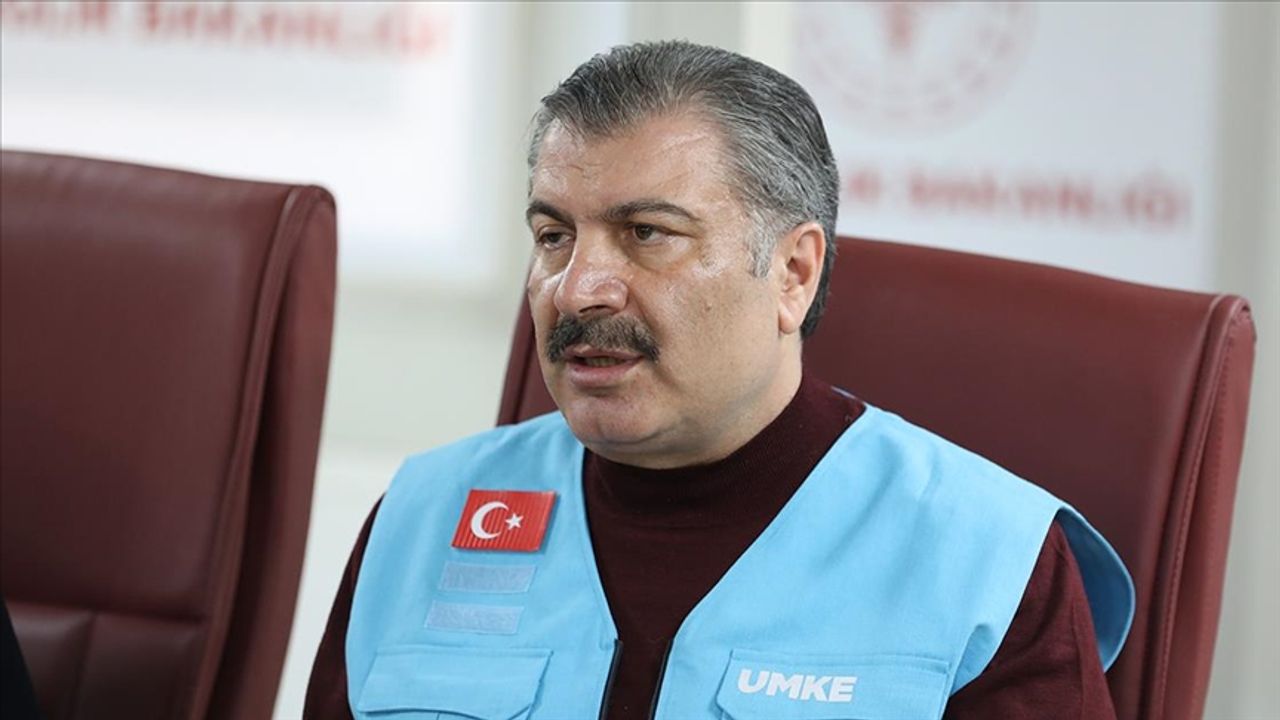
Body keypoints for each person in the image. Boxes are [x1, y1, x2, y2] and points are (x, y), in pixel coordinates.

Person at [305, 41, 1133, 719]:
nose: (578, 287)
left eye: (646, 233)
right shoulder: (421, 520)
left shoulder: (988, 561)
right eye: (554, 235)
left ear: (792, 274)